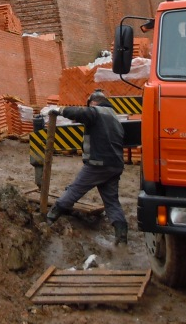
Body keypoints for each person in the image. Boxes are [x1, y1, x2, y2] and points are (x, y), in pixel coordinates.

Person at [46, 89, 128, 244]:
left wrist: (60, 110)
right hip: (115, 165)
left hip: (98, 164)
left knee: (75, 189)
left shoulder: (96, 112)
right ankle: (121, 234)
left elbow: (80, 113)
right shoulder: (113, 116)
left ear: (93, 102)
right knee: (112, 201)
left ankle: (50, 217)